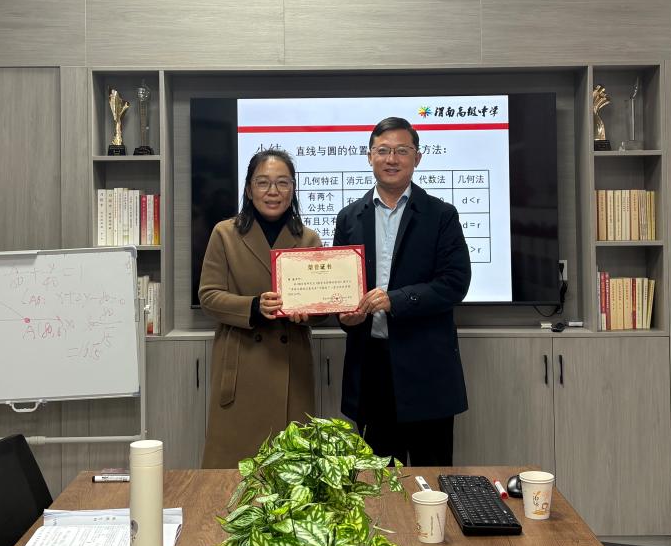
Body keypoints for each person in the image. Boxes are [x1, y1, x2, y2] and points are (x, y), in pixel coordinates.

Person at [333, 117, 471, 466]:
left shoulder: (441, 215)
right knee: (377, 482)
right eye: (383, 150)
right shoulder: (348, 218)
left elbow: (455, 283)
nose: (391, 159)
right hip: (371, 369)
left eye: (401, 151)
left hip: (426, 370)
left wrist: (395, 300)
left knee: (432, 479)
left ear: (417, 158)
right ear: (369, 156)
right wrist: (345, 317)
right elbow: (340, 289)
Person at [198, 149, 322, 469]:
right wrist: (253, 306)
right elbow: (208, 296)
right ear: (249, 189)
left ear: (293, 189)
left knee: (291, 475)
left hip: (291, 367)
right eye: (263, 182)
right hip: (242, 364)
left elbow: (320, 304)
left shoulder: (309, 238)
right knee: (234, 477)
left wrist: (309, 312)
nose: (273, 191)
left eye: (282, 183)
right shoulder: (225, 233)